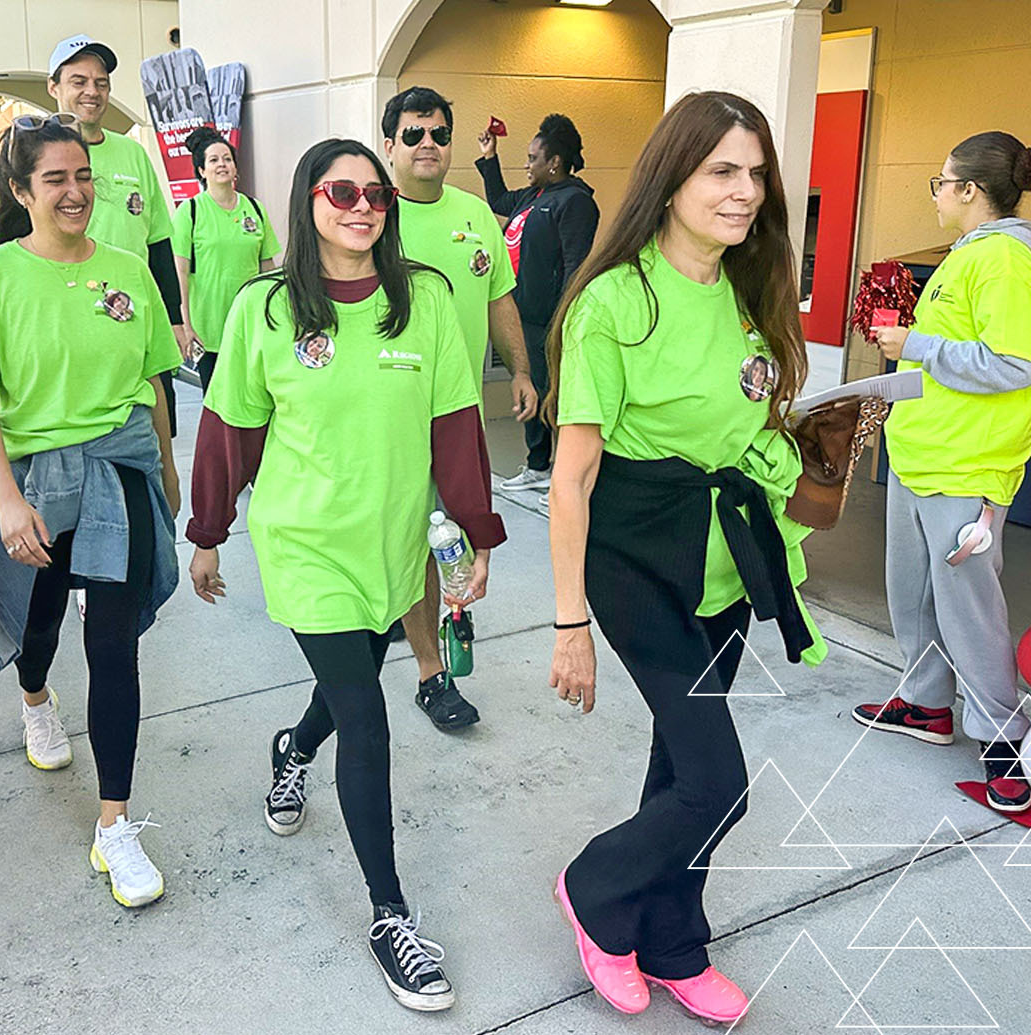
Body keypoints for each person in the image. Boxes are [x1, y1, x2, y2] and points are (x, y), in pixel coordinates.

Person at [186, 138, 505, 1012]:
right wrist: (208, 530)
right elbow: (230, 429)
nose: (362, 204)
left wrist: (478, 530)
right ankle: (390, 914)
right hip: (304, 541)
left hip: (394, 540)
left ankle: (290, 749)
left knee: (356, 675)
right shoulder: (267, 309)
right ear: (308, 201)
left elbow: (455, 423)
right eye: (341, 190)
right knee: (368, 717)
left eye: (374, 192)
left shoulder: (426, 300)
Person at [546, 92, 821, 1025]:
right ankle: (593, 888)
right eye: (722, 171)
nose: (744, 193)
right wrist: (569, 618)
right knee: (717, 782)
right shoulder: (613, 302)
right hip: (634, 557)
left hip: (722, 562)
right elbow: (572, 478)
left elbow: (747, 424)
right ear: (671, 180)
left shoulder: (751, 292)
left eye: (756, 174)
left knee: (678, 767)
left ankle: (671, 939)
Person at [0, 114, 182, 908]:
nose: (75, 191)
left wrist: (168, 473)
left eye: (83, 176)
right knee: (38, 624)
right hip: (33, 479)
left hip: (118, 472)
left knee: (115, 643)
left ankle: (115, 825)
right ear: (20, 189)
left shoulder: (125, 269)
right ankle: (35, 697)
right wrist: (5, 499)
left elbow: (153, 385)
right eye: (55, 178)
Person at [852, 131, 1031, 814]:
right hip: (923, 453)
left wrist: (916, 343)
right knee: (913, 594)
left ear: (970, 191)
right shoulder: (969, 257)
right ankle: (927, 702)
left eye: (941, 181)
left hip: (966, 465)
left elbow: (1016, 363)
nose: (936, 193)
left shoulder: (1007, 260)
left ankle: (1003, 742)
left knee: (969, 610)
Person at [381, 85, 537, 731]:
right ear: (388, 144)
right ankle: (429, 673)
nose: (428, 145)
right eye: (413, 134)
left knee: (455, 538)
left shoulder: (477, 215)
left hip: (461, 413)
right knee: (416, 543)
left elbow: (499, 297)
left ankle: (435, 632)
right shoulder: (371, 215)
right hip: (392, 416)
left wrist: (521, 370)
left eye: (439, 134)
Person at [47, 34, 185, 435]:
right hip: (70, 328)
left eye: (101, 82)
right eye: (79, 81)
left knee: (156, 432)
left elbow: (158, 239)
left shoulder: (133, 154)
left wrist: (173, 319)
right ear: (54, 87)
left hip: (138, 322)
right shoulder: (34, 154)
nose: (92, 91)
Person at [477, 113, 600, 501]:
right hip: (521, 314)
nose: (527, 165)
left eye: (532, 158)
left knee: (552, 396)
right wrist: (489, 157)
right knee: (529, 390)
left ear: (555, 163)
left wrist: (563, 322)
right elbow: (498, 200)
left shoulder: (575, 203)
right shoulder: (536, 196)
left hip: (549, 320)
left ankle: (562, 478)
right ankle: (537, 466)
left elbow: (574, 265)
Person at [170, 126, 279, 392]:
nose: (222, 164)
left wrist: (275, 310)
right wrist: (185, 324)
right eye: (214, 160)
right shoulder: (190, 211)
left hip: (250, 322)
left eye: (227, 158)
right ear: (201, 171)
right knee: (216, 401)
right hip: (209, 329)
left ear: (235, 168)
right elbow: (180, 273)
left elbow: (267, 267)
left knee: (253, 395)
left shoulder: (254, 209)